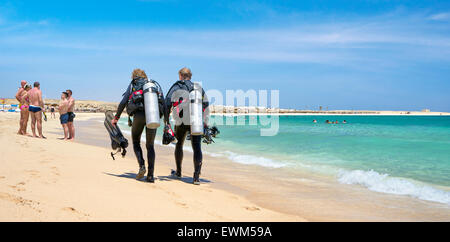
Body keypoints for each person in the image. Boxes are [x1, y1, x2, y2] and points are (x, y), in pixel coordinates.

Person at [112, 69, 165, 183]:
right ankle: (150, 175)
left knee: (136, 142)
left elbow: (123, 102)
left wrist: (116, 118)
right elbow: (163, 102)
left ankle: (142, 166)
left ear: (134, 76)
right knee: (150, 146)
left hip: (139, 115)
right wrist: (167, 122)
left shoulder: (133, 84)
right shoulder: (153, 84)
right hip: (152, 115)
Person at [163, 67, 209, 185]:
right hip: (196, 120)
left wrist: (167, 122)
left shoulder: (178, 85)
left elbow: (167, 102)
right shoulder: (197, 87)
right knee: (197, 147)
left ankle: (178, 172)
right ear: (190, 76)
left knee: (179, 145)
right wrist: (204, 121)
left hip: (181, 121)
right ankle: (196, 177)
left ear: (180, 76)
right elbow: (206, 103)